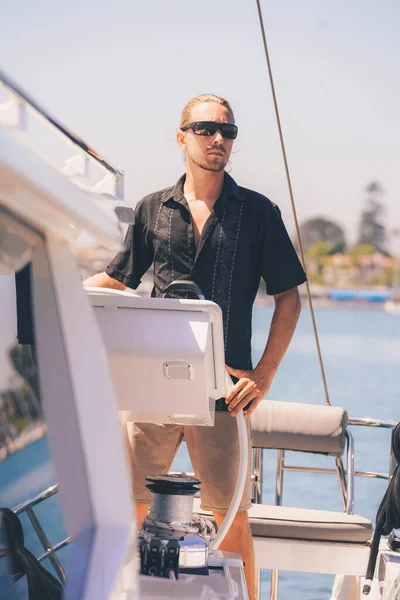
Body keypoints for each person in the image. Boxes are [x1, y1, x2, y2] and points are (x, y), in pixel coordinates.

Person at [84, 93, 306, 599]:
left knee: (232, 524)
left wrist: (263, 375)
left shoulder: (258, 212)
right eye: (206, 129)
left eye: (227, 132)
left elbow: (288, 299)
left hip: (224, 397)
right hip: (151, 391)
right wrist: (51, 291)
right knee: (137, 515)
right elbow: (118, 281)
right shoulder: (151, 209)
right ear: (181, 136)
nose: (217, 140)